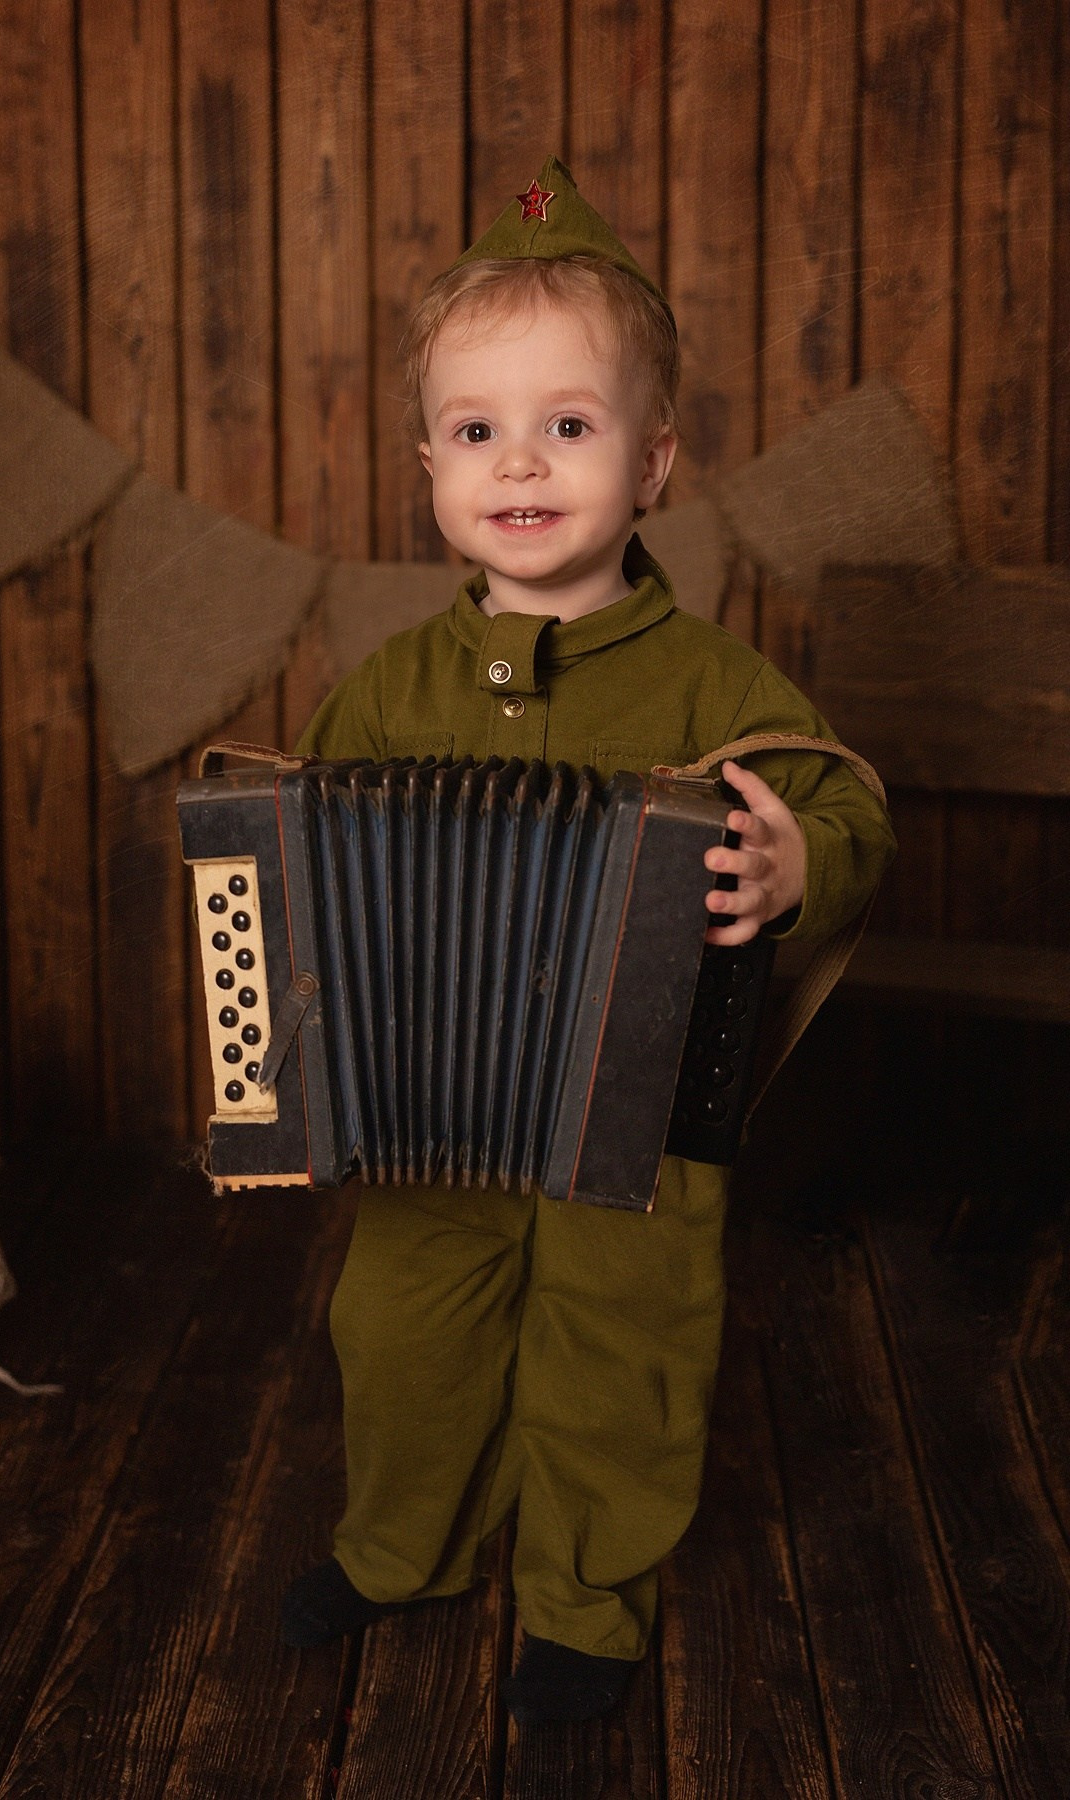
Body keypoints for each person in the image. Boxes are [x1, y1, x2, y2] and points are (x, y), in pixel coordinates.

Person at [279, 157, 896, 1725]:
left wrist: (789, 860)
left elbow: (850, 811)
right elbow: (293, 881)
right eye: (478, 430)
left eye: (572, 423)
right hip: (437, 1116)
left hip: (643, 1115)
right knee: (400, 1332)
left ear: (657, 458)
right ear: (429, 464)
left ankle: (586, 1599)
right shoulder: (385, 691)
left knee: (620, 1350)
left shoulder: (706, 681)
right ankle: (398, 1549)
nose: (523, 464)